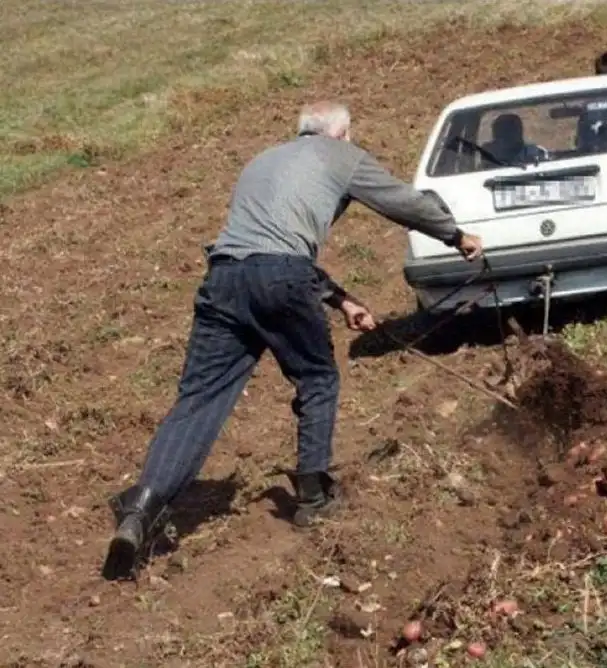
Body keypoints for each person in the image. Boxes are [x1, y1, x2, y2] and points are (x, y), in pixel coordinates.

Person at [101, 101, 483, 581]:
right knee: (317, 377)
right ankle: (313, 496)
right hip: (280, 276)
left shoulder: (262, 161)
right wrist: (456, 236)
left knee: (198, 400)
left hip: (224, 278)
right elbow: (401, 202)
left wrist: (341, 300)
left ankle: (141, 508)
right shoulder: (340, 154)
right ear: (341, 134)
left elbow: (265, 249)